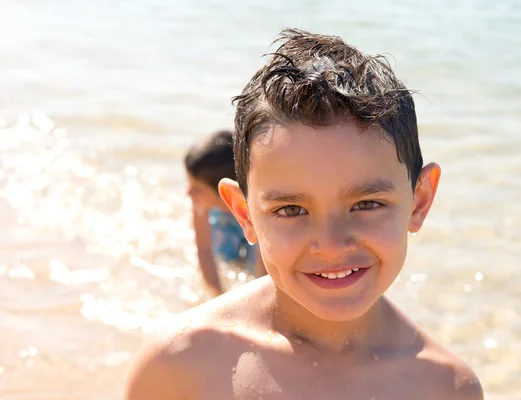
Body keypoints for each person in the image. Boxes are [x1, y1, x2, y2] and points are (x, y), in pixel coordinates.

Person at [126, 29, 484, 400]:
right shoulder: (180, 365)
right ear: (244, 215)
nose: (330, 246)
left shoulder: (445, 388)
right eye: (291, 209)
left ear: (419, 201)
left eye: (366, 204)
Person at [184, 130, 265, 297]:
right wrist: (218, 297)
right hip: (223, 222)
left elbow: (262, 279)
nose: (188, 193)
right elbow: (205, 250)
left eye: (197, 188)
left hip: (248, 220)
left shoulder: (254, 206)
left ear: (225, 190)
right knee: (226, 256)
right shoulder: (199, 202)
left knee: (255, 266)